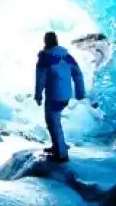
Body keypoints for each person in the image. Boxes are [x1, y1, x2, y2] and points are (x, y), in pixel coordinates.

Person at [34, 31, 85, 163]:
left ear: (46, 41)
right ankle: (58, 146)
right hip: (66, 95)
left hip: (54, 95)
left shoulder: (45, 57)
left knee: (52, 122)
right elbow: (78, 75)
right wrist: (80, 93)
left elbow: (40, 78)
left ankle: (61, 153)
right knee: (55, 121)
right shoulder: (67, 56)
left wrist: (38, 95)